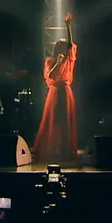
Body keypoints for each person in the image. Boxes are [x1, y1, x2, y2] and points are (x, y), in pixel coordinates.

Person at [34, 12, 78, 163]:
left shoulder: (69, 59)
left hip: (65, 91)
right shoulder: (50, 61)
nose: (66, 49)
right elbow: (50, 76)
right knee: (53, 120)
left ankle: (65, 150)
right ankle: (52, 149)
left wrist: (68, 26)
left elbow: (71, 44)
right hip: (55, 92)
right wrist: (58, 63)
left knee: (66, 121)